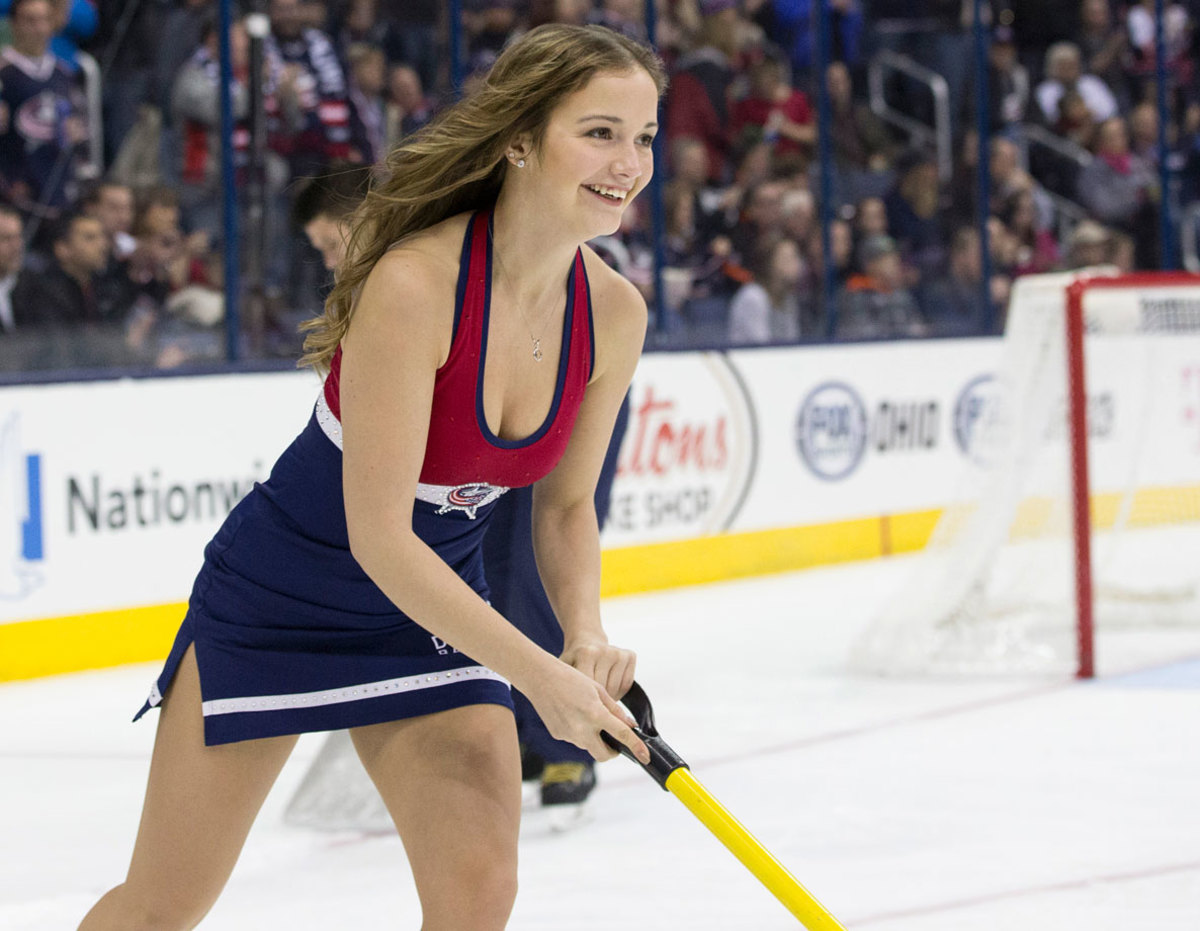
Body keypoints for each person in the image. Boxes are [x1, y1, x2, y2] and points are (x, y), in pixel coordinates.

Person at [78, 24, 661, 931]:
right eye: (599, 132)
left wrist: (583, 636)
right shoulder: (414, 285)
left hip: (432, 617)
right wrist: (542, 677)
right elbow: (381, 537)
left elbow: (568, 505)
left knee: (478, 895)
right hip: (281, 602)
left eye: (644, 137)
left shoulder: (616, 312)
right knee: (162, 907)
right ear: (519, 138)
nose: (628, 162)